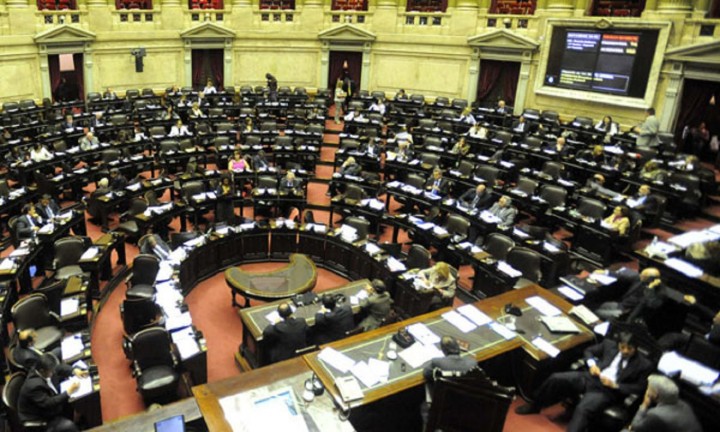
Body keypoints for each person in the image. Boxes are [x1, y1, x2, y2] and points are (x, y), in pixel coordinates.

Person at [516, 332, 653, 432]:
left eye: (629, 349)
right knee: (556, 378)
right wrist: (592, 364)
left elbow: (639, 388)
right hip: (590, 377)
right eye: (622, 347)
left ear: (636, 348)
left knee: (583, 409)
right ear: (619, 344)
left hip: (606, 391)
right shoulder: (609, 345)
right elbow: (588, 351)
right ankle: (535, 406)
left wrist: (616, 385)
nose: (625, 351)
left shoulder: (644, 365)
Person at [593, 267, 687, 323]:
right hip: (620, 305)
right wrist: (606, 272)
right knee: (595, 307)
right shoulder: (641, 278)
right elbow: (624, 275)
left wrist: (649, 289)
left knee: (597, 313)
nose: (640, 277)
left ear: (651, 280)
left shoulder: (659, 293)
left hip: (627, 314)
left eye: (644, 277)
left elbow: (651, 304)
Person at [420, 335, 478, 427]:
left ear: (444, 351)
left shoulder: (437, 362)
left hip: (442, 404)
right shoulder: (472, 363)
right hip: (464, 402)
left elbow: (426, 374)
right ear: (458, 347)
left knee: (424, 407)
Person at [18, 353, 81, 432]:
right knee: (69, 426)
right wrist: (68, 392)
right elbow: (49, 403)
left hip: (44, 405)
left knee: (71, 404)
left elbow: (58, 368)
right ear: (42, 371)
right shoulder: (35, 386)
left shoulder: (41, 369)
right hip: (38, 419)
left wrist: (73, 371)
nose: (53, 372)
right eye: (51, 371)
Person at [621, 374, 702, 432]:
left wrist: (644, 405)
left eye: (648, 388)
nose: (647, 390)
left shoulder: (656, 415)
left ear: (654, 395)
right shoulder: (684, 404)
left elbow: (635, 426)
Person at [14, 330, 87, 379]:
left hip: (42, 356)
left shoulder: (21, 343)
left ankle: (72, 362)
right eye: (34, 340)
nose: (36, 340)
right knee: (62, 362)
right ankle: (70, 369)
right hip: (46, 370)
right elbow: (48, 367)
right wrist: (72, 370)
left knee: (59, 350)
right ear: (29, 343)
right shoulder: (29, 358)